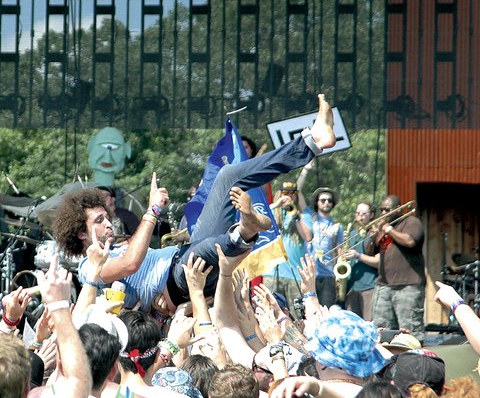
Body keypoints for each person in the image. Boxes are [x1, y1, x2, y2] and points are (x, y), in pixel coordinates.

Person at [53, 94, 337, 315]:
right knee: (202, 251)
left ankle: (311, 142)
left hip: (184, 261)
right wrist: (152, 210)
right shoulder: (88, 268)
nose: (107, 222)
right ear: (81, 232)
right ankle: (246, 230)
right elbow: (130, 265)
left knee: (228, 176)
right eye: (98, 221)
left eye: (106, 216)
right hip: (177, 282)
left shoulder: (117, 244)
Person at [364, 194, 425, 340]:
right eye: (381, 210)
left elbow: (410, 241)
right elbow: (370, 252)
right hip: (383, 286)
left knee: (410, 332)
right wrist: (372, 237)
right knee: (380, 331)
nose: (383, 213)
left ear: (398, 209)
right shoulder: (382, 228)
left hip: (407, 286)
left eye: (387, 209)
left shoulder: (411, 222)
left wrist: (388, 229)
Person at [265, 180, 312, 319]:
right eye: (285, 193)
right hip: (272, 273)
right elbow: (256, 218)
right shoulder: (272, 212)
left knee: (298, 316)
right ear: (280, 194)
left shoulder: (304, 215)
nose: (289, 196)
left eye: (293, 193)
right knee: (270, 314)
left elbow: (308, 236)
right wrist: (275, 205)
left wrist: (295, 215)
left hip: (295, 276)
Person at [303, 186, 343, 307]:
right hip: (310, 274)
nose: (326, 203)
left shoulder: (337, 226)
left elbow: (340, 251)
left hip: (328, 275)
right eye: (323, 200)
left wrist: (339, 277)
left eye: (330, 200)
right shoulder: (309, 219)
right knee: (308, 311)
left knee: (326, 310)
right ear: (317, 202)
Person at [342, 201, 379, 320]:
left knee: (369, 325)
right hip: (352, 289)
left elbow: (378, 262)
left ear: (372, 215)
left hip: (369, 287)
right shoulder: (351, 234)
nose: (360, 217)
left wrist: (358, 255)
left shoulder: (375, 234)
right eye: (357, 213)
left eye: (364, 213)